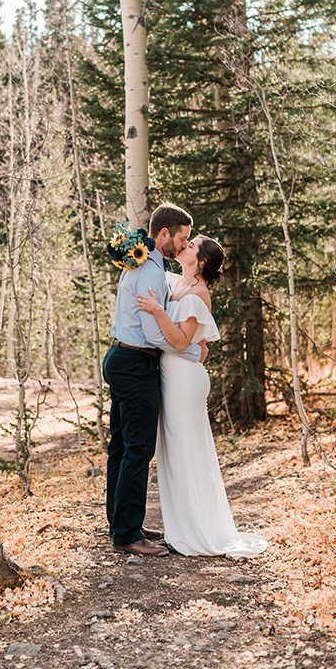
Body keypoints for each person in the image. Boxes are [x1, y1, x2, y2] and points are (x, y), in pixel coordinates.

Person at [136, 235, 268, 558]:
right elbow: (194, 346)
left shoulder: (198, 295)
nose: (185, 247)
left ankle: (195, 532)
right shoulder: (174, 282)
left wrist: (156, 310)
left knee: (186, 451)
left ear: (202, 261)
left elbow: (182, 343)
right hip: (171, 375)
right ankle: (180, 527)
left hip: (184, 379)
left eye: (192, 246)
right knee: (172, 452)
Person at [103, 202, 195, 557]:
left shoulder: (140, 264)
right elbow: (154, 334)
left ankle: (122, 522)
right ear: (164, 234)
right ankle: (127, 533)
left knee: (122, 446)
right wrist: (187, 351)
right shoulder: (151, 271)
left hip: (121, 357)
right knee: (138, 447)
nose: (183, 246)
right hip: (136, 362)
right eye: (181, 238)